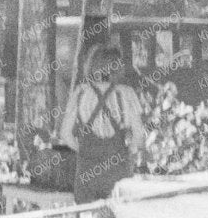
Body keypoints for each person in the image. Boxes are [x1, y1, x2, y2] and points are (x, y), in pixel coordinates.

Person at [57, 42, 148, 202]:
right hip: (117, 172)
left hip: (87, 173)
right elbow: (139, 135)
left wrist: (84, 151)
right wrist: (128, 153)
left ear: (92, 65)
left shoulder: (80, 93)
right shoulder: (126, 93)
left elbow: (65, 134)